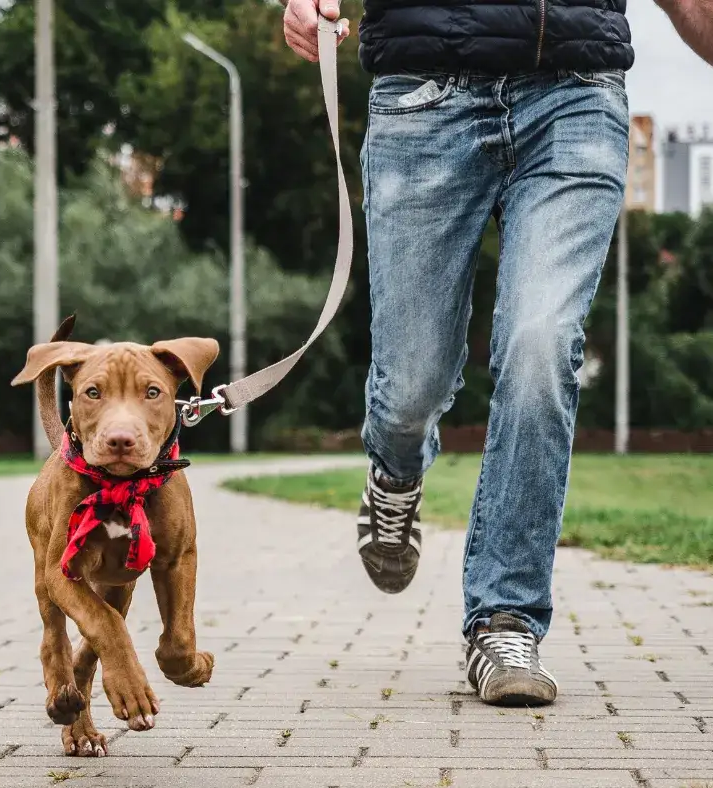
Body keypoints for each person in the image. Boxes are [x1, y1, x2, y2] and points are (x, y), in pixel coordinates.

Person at [282, 0, 713, 706]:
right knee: (412, 383)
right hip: (424, 91)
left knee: (542, 345)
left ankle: (505, 617)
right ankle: (395, 472)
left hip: (576, 94)